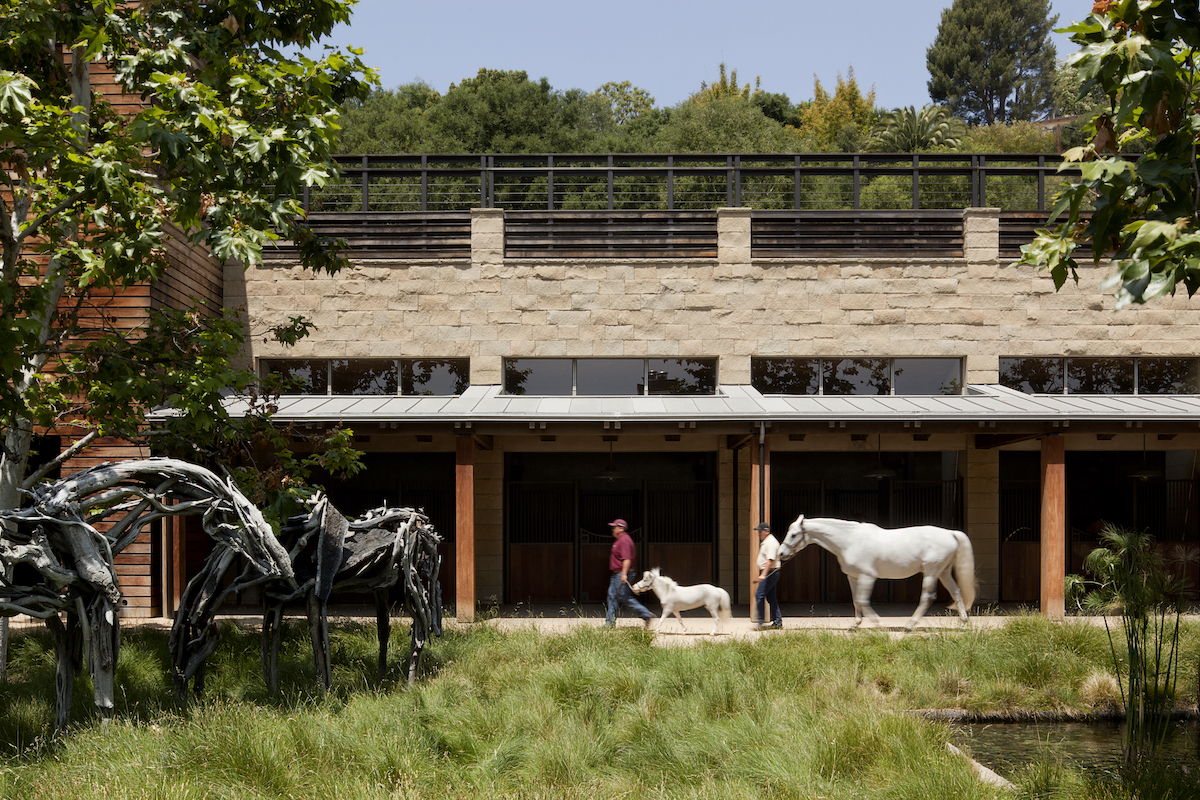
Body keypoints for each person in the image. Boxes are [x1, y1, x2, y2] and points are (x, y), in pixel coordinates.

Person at [605, 518, 653, 628]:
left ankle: (645, 613)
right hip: (617, 574)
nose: (612, 529)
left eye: (614, 527)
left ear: (621, 528)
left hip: (620, 573)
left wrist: (623, 574)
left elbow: (627, 559)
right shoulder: (620, 540)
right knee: (612, 597)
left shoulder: (624, 541)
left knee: (623, 597)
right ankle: (609, 623)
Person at [753, 522, 783, 630]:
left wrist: (763, 575)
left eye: (760, 531)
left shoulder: (771, 542)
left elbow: (770, 560)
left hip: (770, 572)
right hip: (770, 572)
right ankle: (777, 621)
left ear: (767, 531)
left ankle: (760, 621)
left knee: (759, 595)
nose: (759, 534)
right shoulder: (767, 541)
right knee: (771, 597)